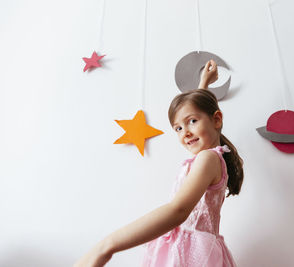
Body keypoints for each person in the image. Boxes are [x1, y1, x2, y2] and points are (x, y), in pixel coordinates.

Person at [74, 59, 244, 267]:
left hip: (192, 256)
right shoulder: (210, 157)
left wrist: (107, 246)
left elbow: (178, 210)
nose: (186, 132)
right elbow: (202, 114)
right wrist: (203, 84)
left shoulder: (207, 158)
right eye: (178, 128)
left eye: (191, 122)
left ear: (217, 120)